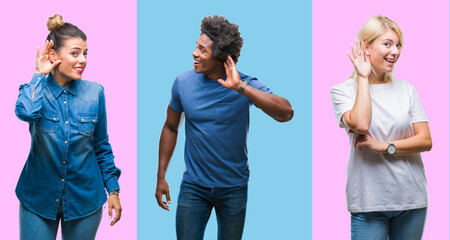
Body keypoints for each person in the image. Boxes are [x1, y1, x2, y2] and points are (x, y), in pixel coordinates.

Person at [154, 15, 294, 240]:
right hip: (193, 186)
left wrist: (241, 88)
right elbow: (171, 127)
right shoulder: (182, 82)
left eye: (202, 50)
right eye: (196, 46)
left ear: (220, 57)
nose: (194, 53)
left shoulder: (245, 84)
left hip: (233, 188)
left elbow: (286, 112)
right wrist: (161, 176)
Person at [14, 14, 123, 240]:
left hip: (85, 199)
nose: (82, 59)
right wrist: (38, 74)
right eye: (75, 53)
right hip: (38, 198)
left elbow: (101, 145)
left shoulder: (96, 93)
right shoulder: (34, 90)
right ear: (53, 55)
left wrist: (113, 190)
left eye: (85, 53)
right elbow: (25, 113)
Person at [329, 15, 433, 240]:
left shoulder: (407, 90)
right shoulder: (342, 91)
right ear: (365, 47)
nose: (395, 51)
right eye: (387, 44)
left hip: (411, 200)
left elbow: (425, 140)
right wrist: (363, 77)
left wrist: (385, 146)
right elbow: (361, 123)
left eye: (398, 45)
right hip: (369, 202)